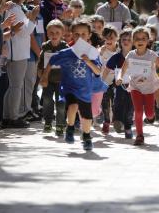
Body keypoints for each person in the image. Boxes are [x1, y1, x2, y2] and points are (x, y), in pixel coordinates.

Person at [40, 20, 101, 151]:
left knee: (86, 117)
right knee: (72, 106)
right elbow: (52, 60)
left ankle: (86, 136)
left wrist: (88, 61)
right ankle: (70, 127)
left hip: (85, 89)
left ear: (89, 35)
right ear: (72, 35)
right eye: (77, 34)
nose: (80, 37)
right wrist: (45, 76)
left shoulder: (92, 53)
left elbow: (98, 71)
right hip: (69, 87)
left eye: (84, 34)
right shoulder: (66, 52)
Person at [116, 26, 159, 145]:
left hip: (149, 88)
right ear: (133, 41)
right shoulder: (130, 55)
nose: (140, 41)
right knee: (137, 111)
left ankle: (151, 117)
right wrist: (119, 77)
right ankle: (139, 135)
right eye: (137, 38)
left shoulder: (152, 55)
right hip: (135, 86)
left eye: (143, 38)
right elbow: (123, 69)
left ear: (148, 40)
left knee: (149, 113)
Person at [2, 0, 37, 128]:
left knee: (13, 86)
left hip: (17, 52)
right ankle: (13, 117)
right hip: (17, 53)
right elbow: (24, 32)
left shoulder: (15, 8)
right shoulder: (15, 9)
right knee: (16, 86)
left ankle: (7, 116)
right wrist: (33, 17)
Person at [37, 19, 68, 135]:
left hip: (61, 81)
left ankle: (60, 124)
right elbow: (40, 64)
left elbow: (69, 63)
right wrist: (41, 77)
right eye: (51, 33)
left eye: (57, 33)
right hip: (48, 80)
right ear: (47, 33)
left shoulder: (65, 46)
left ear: (62, 34)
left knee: (60, 104)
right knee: (47, 101)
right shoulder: (45, 46)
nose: (54, 35)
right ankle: (48, 122)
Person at [103, 29, 134, 138]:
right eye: (124, 39)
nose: (126, 42)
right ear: (120, 41)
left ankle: (128, 127)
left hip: (134, 86)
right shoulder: (116, 57)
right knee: (118, 103)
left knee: (130, 106)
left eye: (129, 40)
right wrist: (101, 83)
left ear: (134, 42)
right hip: (119, 85)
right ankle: (117, 121)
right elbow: (107, 69)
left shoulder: (137, 56)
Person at [99, 25, 119, 134]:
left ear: (117, 38)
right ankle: (106, 122)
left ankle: (116, 119)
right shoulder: (101, 51)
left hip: (117, 81)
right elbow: (96, 64)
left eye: (111, 38)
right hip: (104, 81)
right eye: (106, 38)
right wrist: (100, 54)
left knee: (116, 101)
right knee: (105, 102)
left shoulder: (120, 52)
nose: (108, 40)